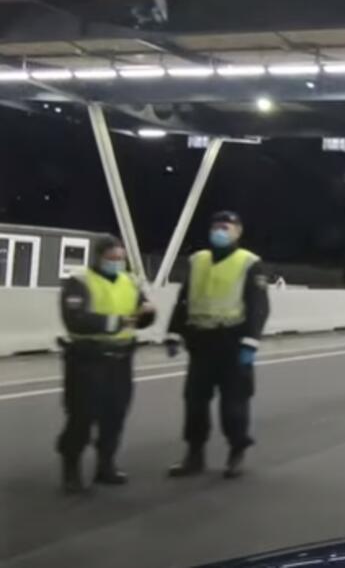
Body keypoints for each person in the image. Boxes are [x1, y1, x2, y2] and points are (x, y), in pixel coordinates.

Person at [165, 211, 269, 479]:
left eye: (226, 227)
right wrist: (174, 332)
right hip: (201, 343)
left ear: (238, 232)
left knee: (234, 405)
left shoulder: (249, 262)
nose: (220, 232)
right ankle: (194, 454)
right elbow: (184, 299)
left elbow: (258, 306)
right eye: (216, 227)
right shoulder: (197, 260)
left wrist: (250, 341)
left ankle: (237, 450)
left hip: (232, 343)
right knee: (194, 403)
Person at [57, 235, 156, 493]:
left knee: (115, 415)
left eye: (120, 258)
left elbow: (142, 315)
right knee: (82, 416)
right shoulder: (79, 281)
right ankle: (71, 469)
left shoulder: (130, 281)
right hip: (87, 361)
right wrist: (117, 322)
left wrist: (148, 313)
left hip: (121, 361)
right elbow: (76, 319)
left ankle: (106, 466)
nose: (116, 262)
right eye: (111, 258)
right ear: (98, 257)